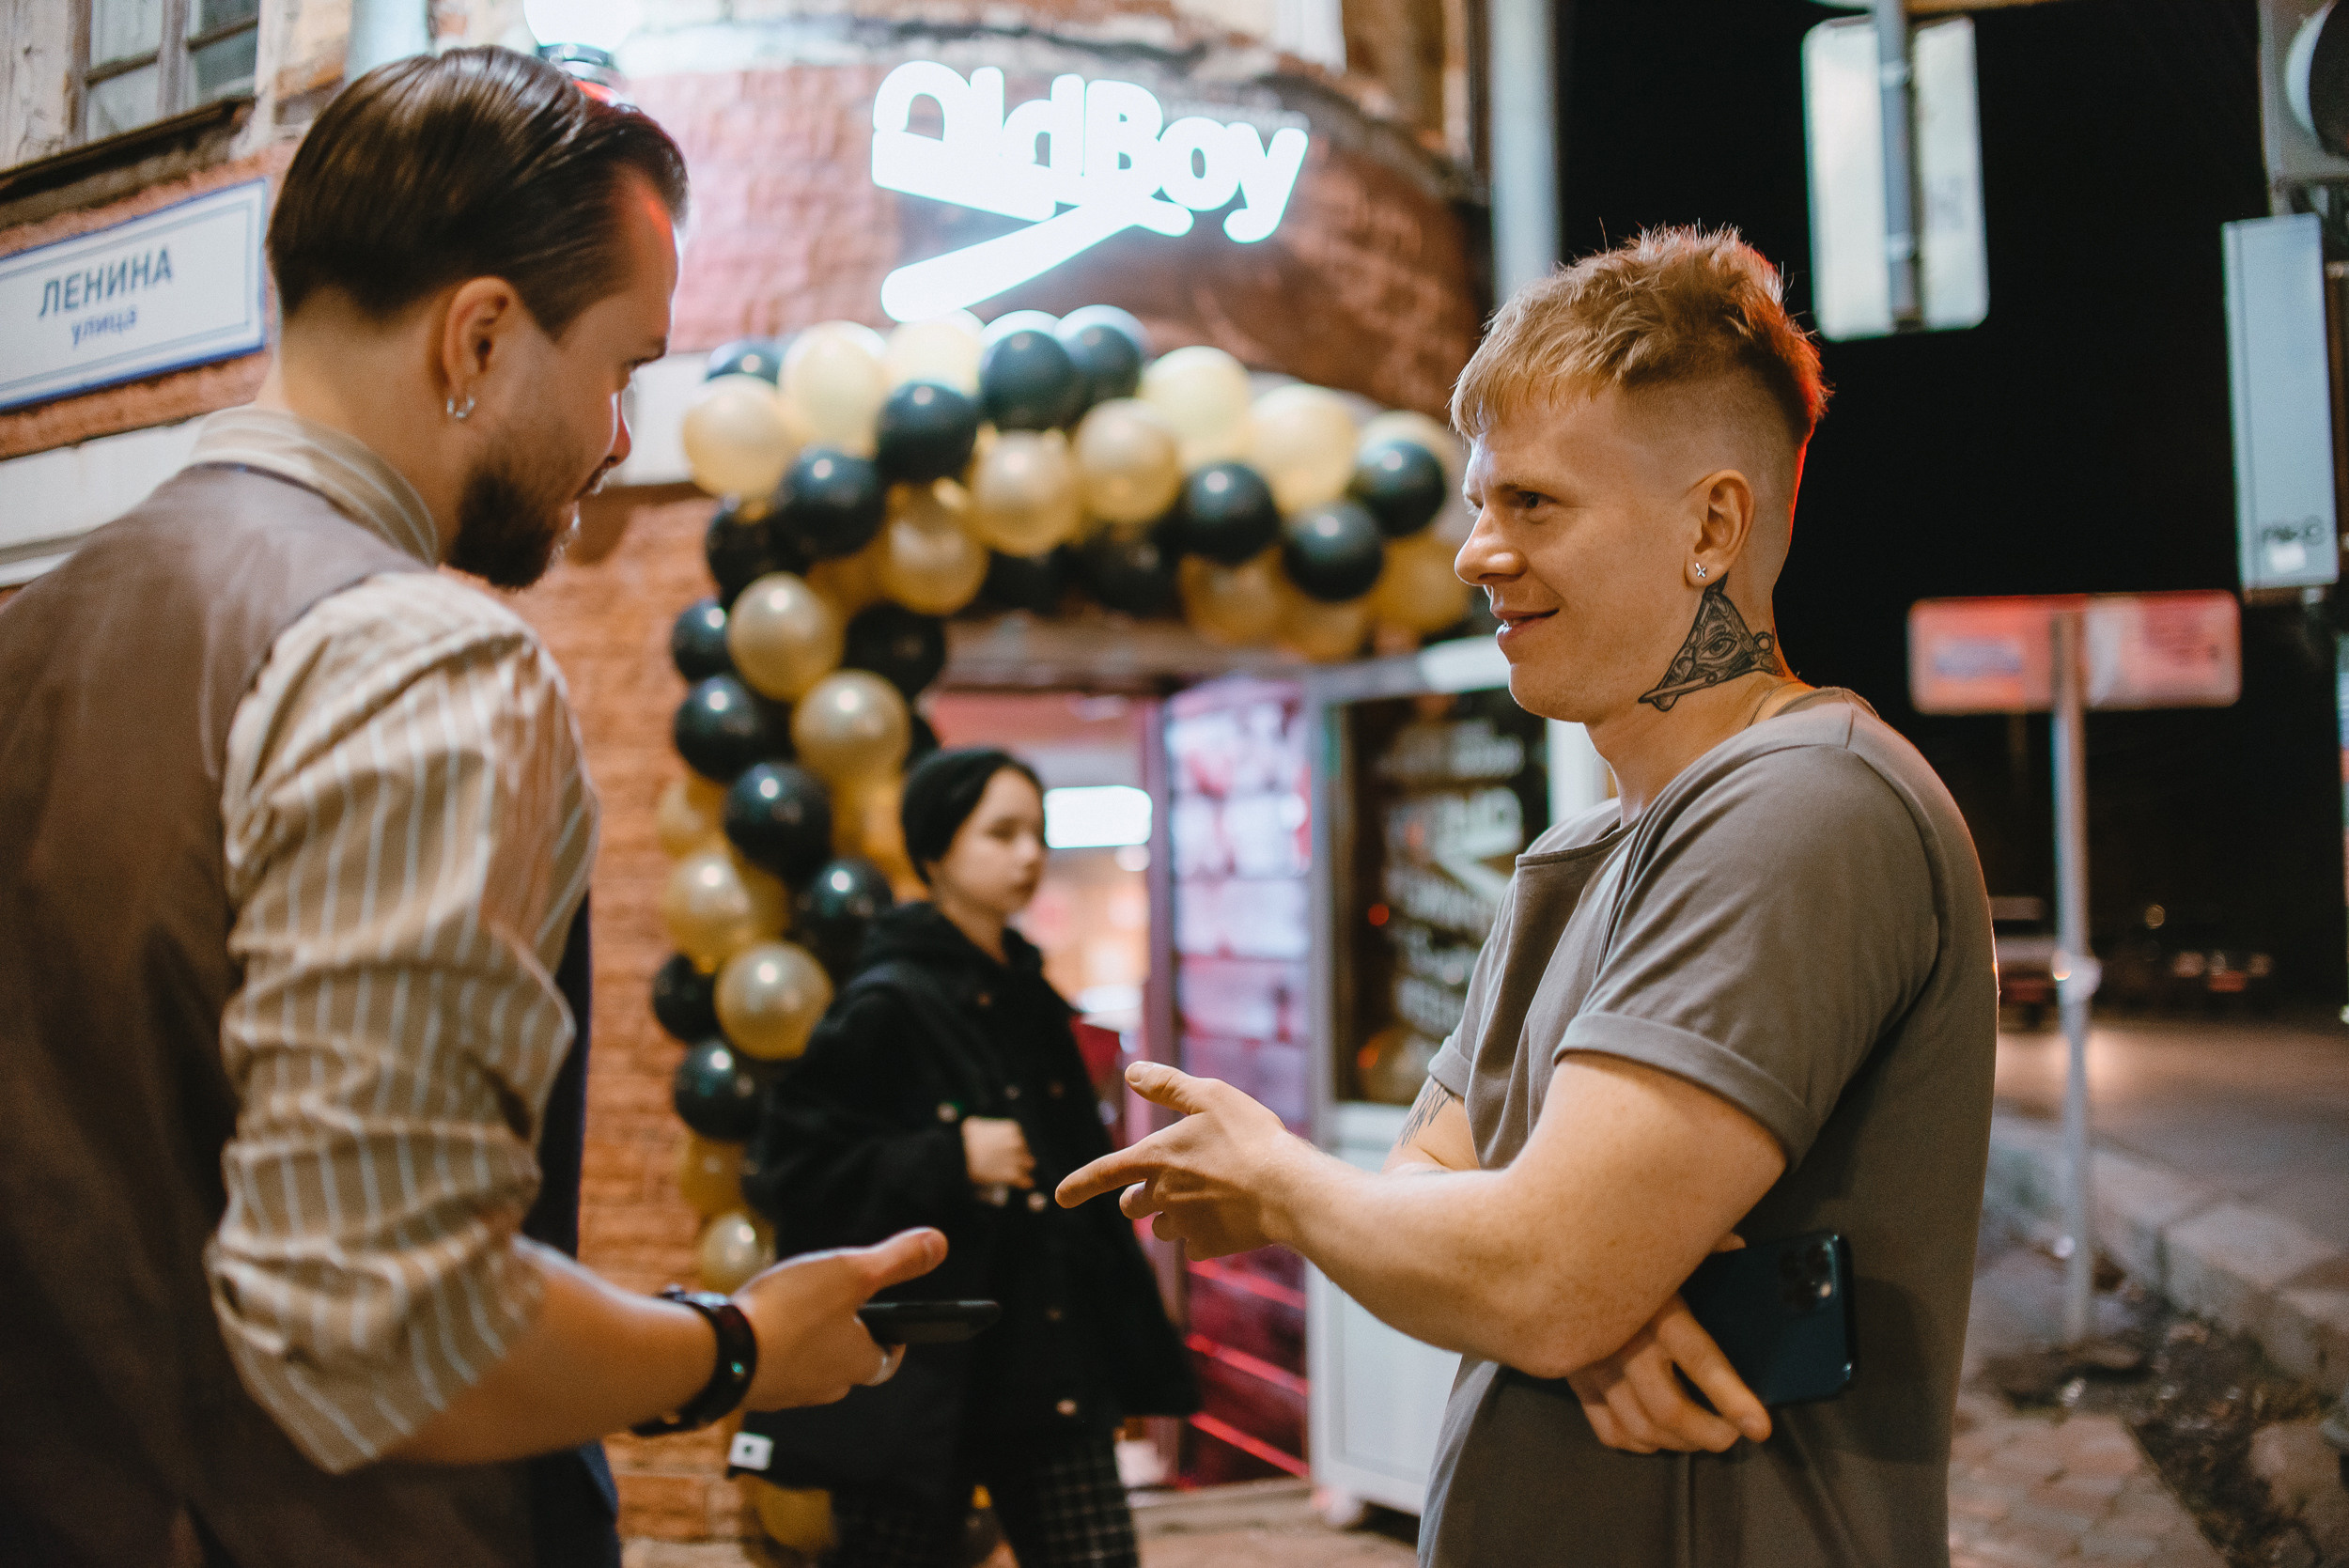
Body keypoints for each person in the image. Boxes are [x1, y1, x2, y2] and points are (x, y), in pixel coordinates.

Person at [0, 48, 940, 1568]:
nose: (621, 436)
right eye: (622, 369)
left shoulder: (33, 630)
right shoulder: (419, 658)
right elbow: (387, 1319)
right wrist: (738, 1344)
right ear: (481, 337)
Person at [1060, 228, 1999, 1566]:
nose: (1475, 554)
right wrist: (1583, 1291)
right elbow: (1444, 1208)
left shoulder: (1804, 806)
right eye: (1478, 503)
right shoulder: (1580, 854)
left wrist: (1290, 1183)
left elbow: (1532, 1270)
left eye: (1535, 504)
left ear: (1711, 527)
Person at [742, 747, 1197, 1568]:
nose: (1028, 855)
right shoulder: (888, 1000)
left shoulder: (1028, 994)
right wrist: (949, 1157)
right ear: (935, 850)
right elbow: (797, 1170)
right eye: (1001, 832)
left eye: (1036, 833)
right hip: (921, 1373)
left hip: (1045, 1358)